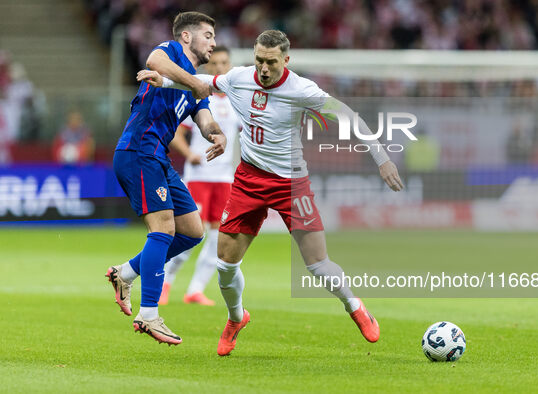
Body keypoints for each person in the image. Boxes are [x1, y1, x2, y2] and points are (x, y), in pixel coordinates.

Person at [138, 30, 404, 356]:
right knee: (225, 265)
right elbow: (200, 84)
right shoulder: (239, 78)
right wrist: (163, 82)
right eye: (259, 61)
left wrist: (382, 158)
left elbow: (348, 116)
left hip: (291, 183)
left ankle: (355, 306)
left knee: (317, 264)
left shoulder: (301, 89)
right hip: (249, 180)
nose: (264, 69)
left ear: (286, 60)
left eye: (271, 62)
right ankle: (236, 318)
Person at [105, 11, 226, 346]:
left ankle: (125, 273)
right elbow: (153, 59)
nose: (213, 43)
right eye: (207, 35)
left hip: (159, 158)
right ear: (186, 37)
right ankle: (149, 315)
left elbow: (204, 120)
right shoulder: (170, 52)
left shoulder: (195, 86)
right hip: (138, 151)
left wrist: (217, 135)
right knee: (164, 229)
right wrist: (193, 82)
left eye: (214, 37)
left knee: (192, 232)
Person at [159, 46, 241, 306]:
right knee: (192, 235)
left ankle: (195, 290)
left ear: (230, 66)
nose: (219, 67)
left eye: (224, 62)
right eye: (214, 63)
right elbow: (175, 133)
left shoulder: (237, 101)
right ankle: (166, 283)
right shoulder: (197, 97)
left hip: (224, 179)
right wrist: (189, 154)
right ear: (207, 68)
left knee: (218, 238)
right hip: (198, 176)